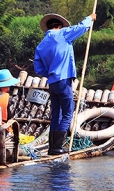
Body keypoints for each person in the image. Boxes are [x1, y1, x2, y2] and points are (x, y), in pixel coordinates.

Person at [33, 12, 96, 155]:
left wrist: (50, 73)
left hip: (52, 82)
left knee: (56, 114)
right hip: (63, 80)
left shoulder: (41, 45)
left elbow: (38, 68)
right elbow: (81, 28)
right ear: (59, 26)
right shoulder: (63, 34)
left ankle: (52, 148)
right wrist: (90, 18)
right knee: (68, 113)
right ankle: (57, 147)